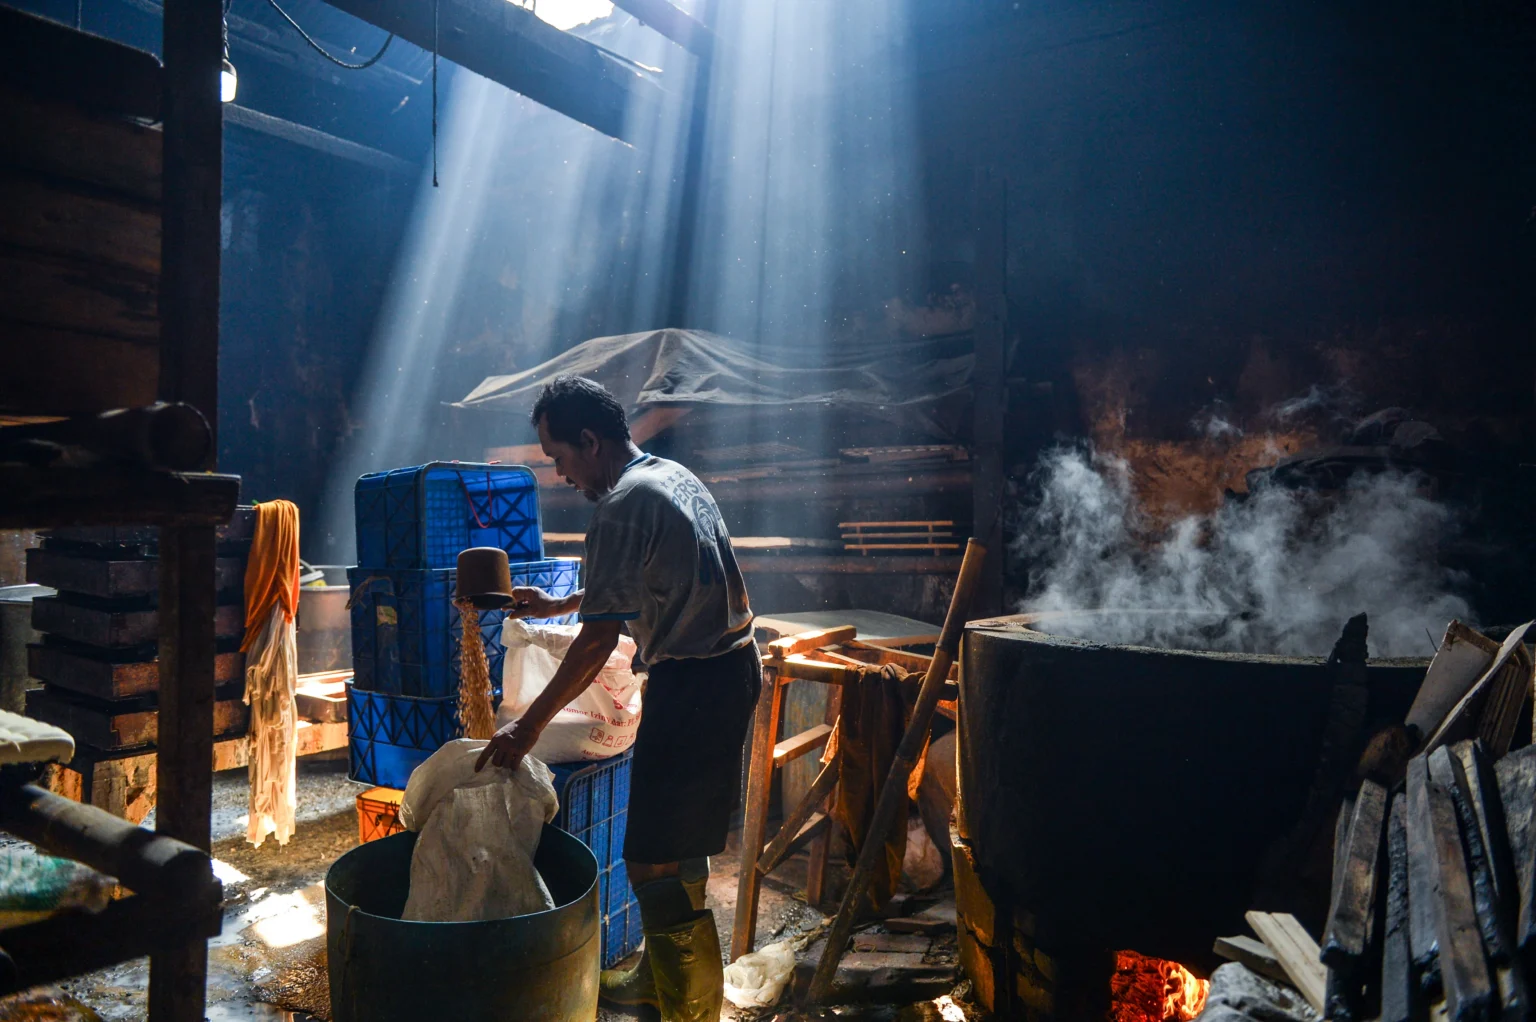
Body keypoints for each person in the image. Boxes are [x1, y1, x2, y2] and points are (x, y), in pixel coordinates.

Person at [475, 375, 758, 1022]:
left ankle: (691, 1008)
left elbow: (599, 641)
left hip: (695, 684)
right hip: (727, 671)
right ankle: (663, 981)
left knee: (653, 859)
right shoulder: (667, 476)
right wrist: (562, 602)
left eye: (559, 457)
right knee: (677, 847)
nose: (560, 474)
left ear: (590, 439)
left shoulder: (622, 505)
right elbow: (642, 580)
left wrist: (525, 730)